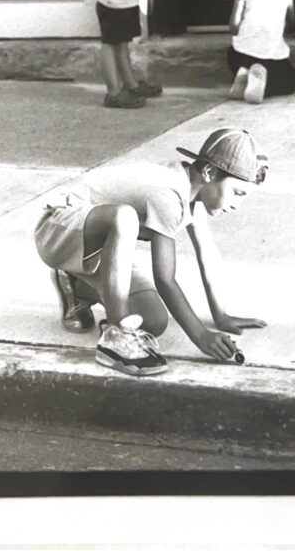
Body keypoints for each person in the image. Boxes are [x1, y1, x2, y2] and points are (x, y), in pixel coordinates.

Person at [34, 128, 268, 377]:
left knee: (153, 321)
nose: (237, 206)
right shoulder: (170, 194)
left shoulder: (194, 193)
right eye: (237, 193)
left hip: (98, 249)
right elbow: (165, 278)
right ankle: (117, 338)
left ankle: (75, 286)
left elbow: (207, 254)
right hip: (58, 229)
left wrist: (220, 316)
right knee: (125, 216)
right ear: (209, 172)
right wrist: (200, 336)